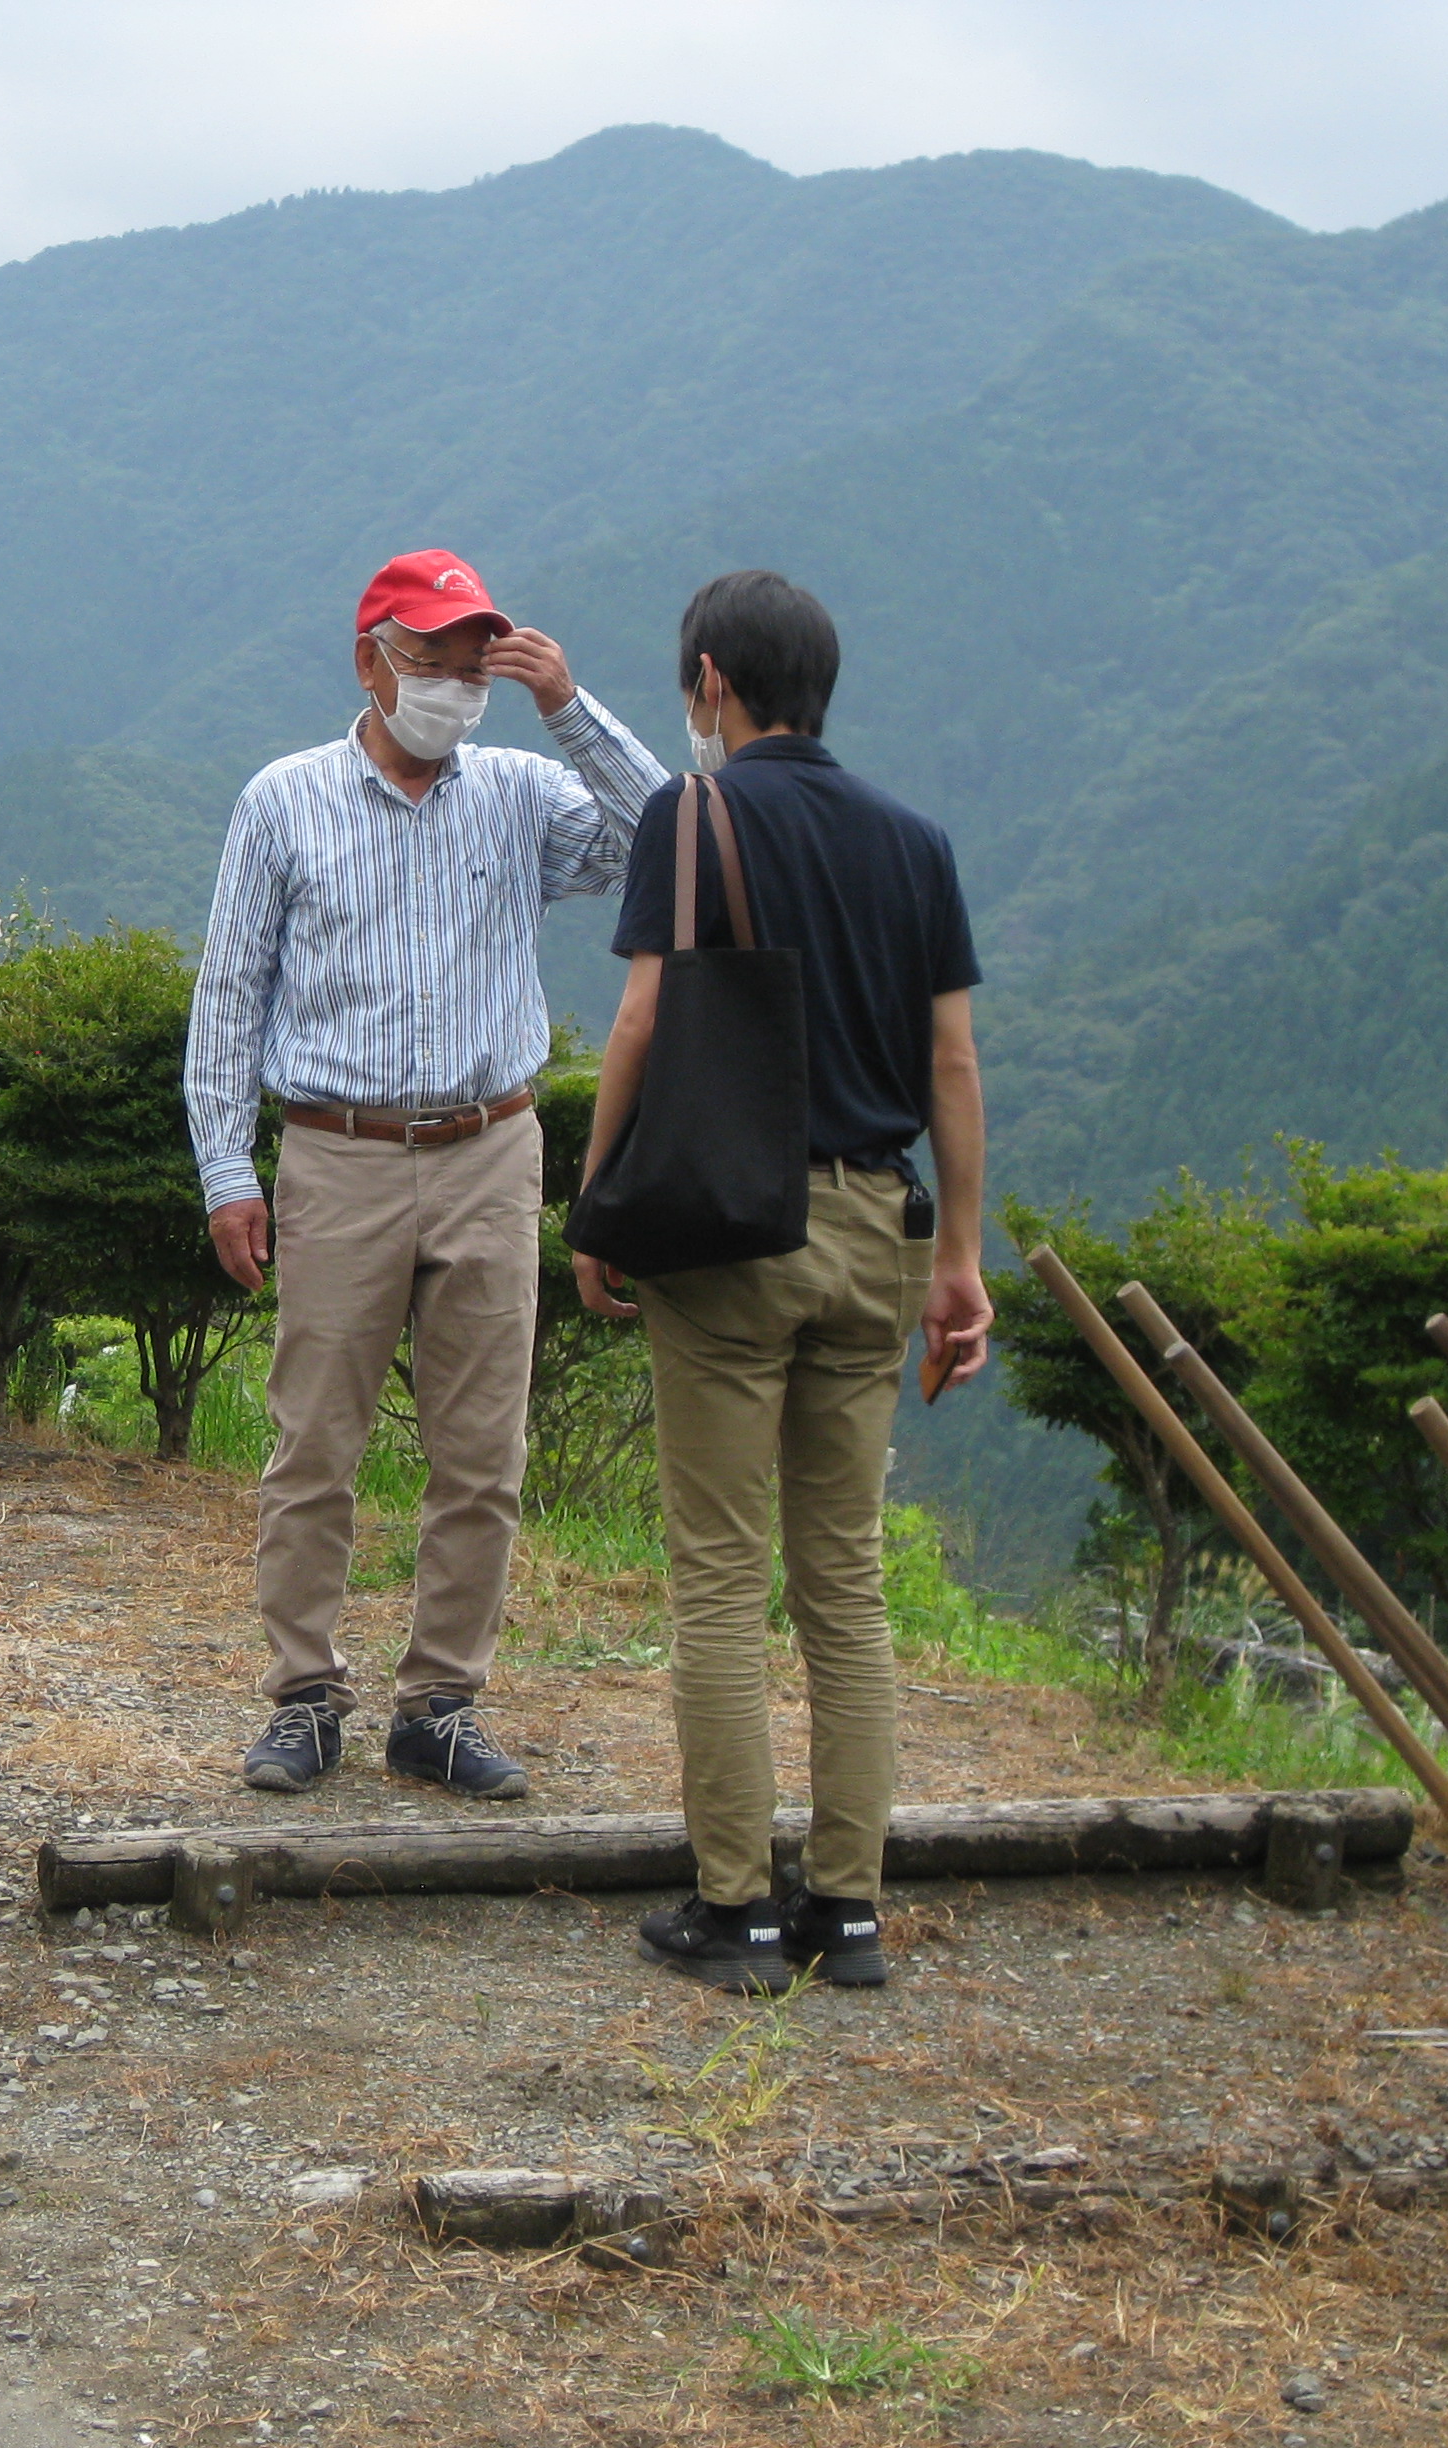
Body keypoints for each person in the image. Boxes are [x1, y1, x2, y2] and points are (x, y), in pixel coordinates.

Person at [188, 549, 671, 1798]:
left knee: (481, 1447)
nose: (458, 688)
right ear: (372, 661)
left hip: (490, 1145)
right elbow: (229, 997)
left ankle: (441, 1703)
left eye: (475, 669)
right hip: (337, 1150)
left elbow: (664, 843)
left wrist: (568, 706)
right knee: (314, 1438)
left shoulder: (518, 792)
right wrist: (224, 1171)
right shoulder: (284, 801)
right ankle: (304, 1694)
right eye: (433, 663)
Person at [575, 569, 990, 1994]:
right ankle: (853, 1913)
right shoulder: (916, 844)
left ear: (708, 682)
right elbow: (952, 1065)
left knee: (716, 1575)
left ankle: (739, 1909)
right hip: (881, 1231)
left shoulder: (689, 819)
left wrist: (595, 1199)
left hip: (732, 1232)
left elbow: (641, 1019)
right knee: (846, 1587)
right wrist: (960, 1261)